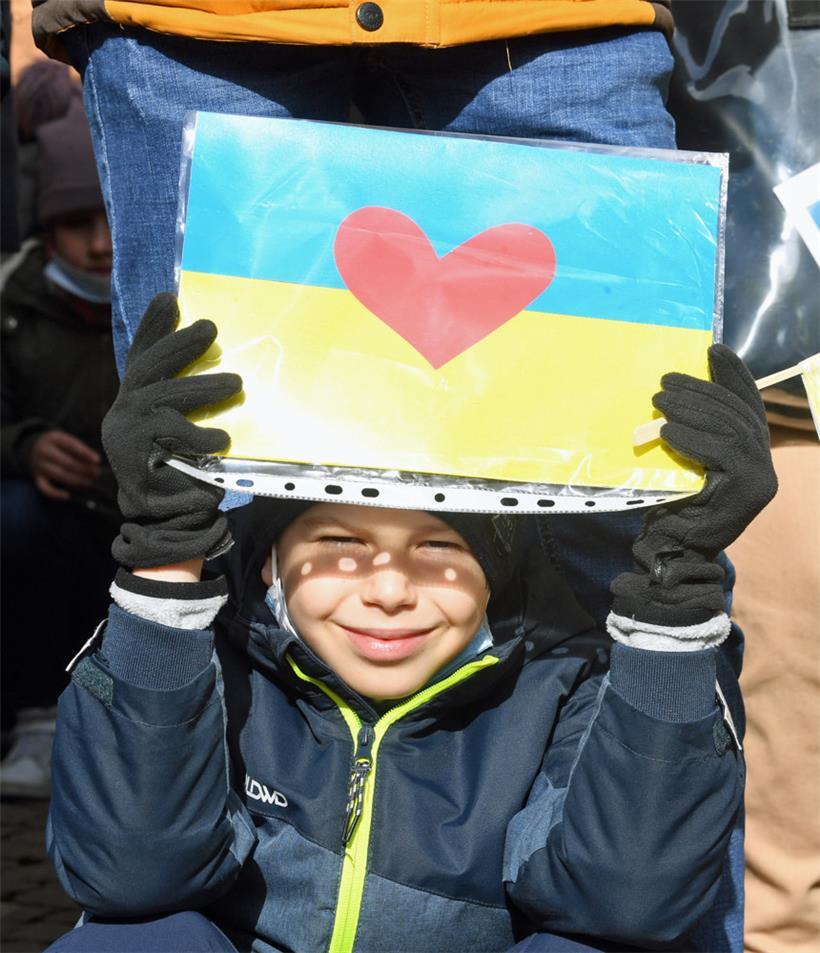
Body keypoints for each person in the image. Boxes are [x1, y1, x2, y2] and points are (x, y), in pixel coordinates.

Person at [44, 293, 776, 952]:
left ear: (495, 579)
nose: (390, 589)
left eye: (438, 548)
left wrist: (676, 583)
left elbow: (630, 902)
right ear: (268, 564)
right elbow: (129, 873)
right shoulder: (215, 657)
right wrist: (165, 562)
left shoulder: (562, 682)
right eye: (339, 544)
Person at [0, 99, 119, 798]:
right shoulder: (14, 309)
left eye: (110, 219)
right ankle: (38, 720)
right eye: (79, 225)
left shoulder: (164, 295)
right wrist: (27, 446)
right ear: (48, 229)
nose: (101, 244)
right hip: (51, 532)